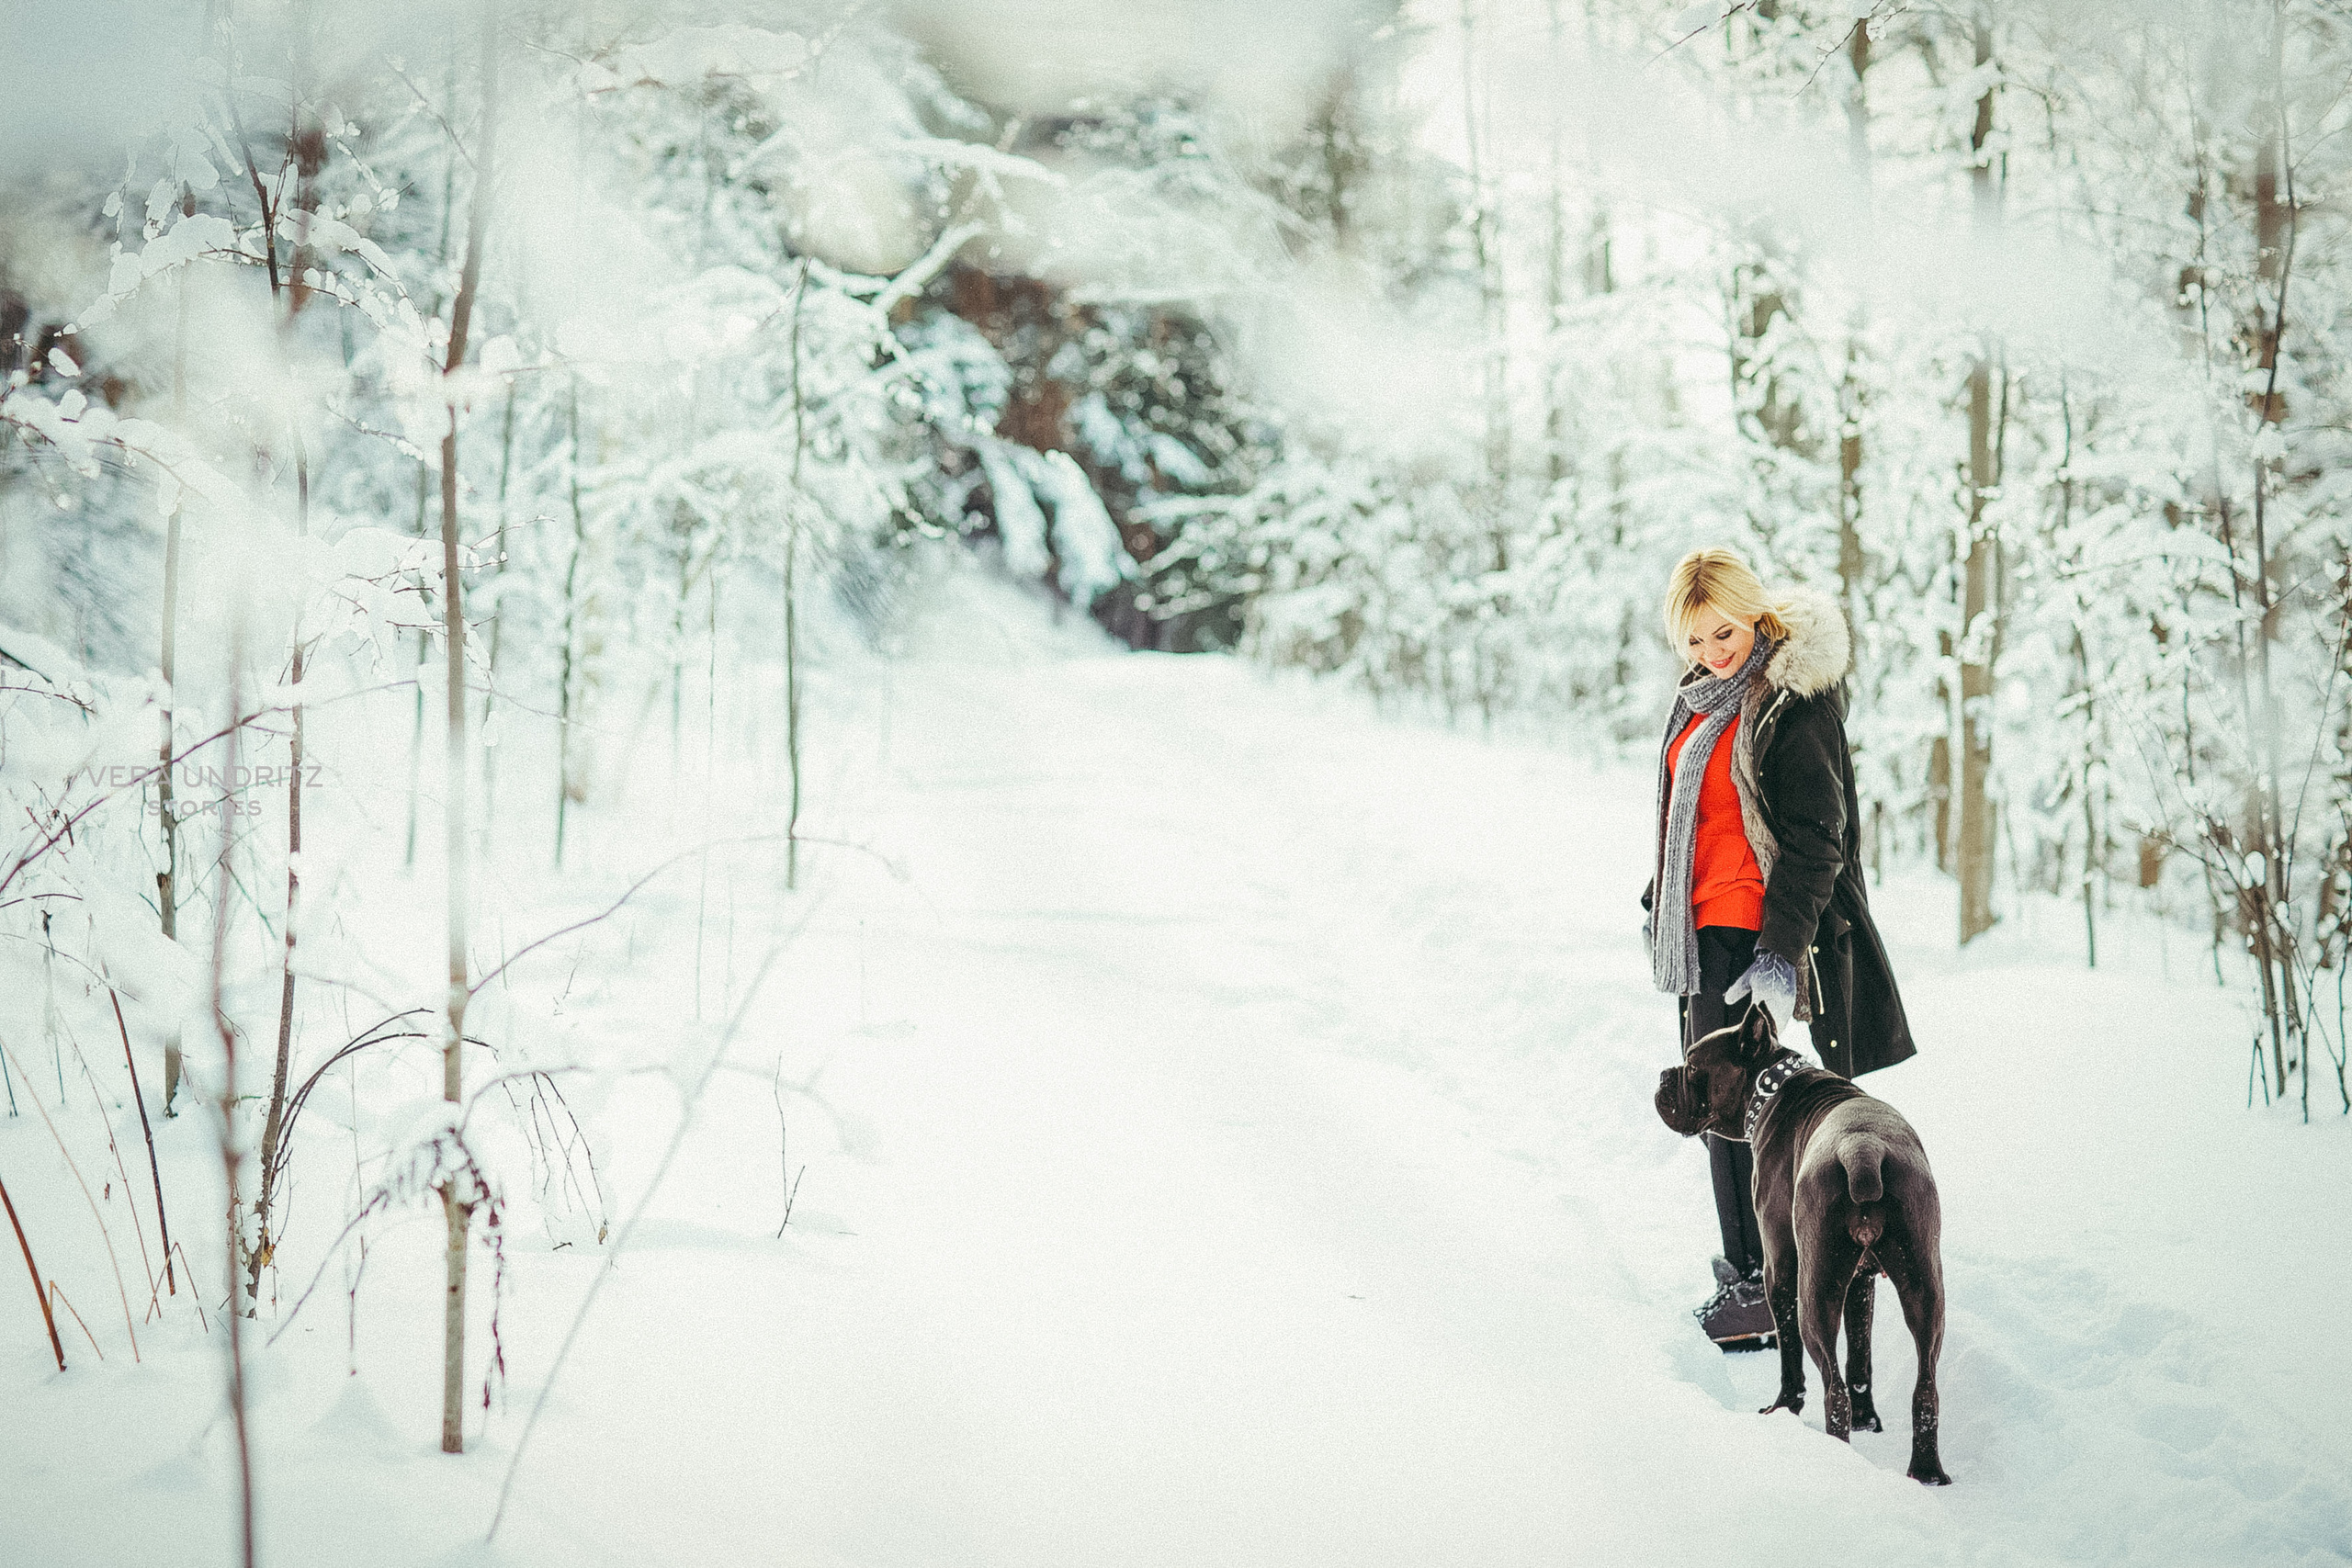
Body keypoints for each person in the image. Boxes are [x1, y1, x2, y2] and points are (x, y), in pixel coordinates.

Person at [1643, 548, 1916, 1347]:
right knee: (1721, 1115)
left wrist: (1774, 958)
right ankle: (1755, 1276)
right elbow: (1688, 818)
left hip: (1760, 937)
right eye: (1693, 639)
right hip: (1699, 935)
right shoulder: (1703, 698)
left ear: (1754, 612)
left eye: (1723, 631)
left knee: (1747, 1117)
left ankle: (1772, 1286)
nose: (1710, 651)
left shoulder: (1789, 700)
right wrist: (1661, 900)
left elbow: (1815, 842)